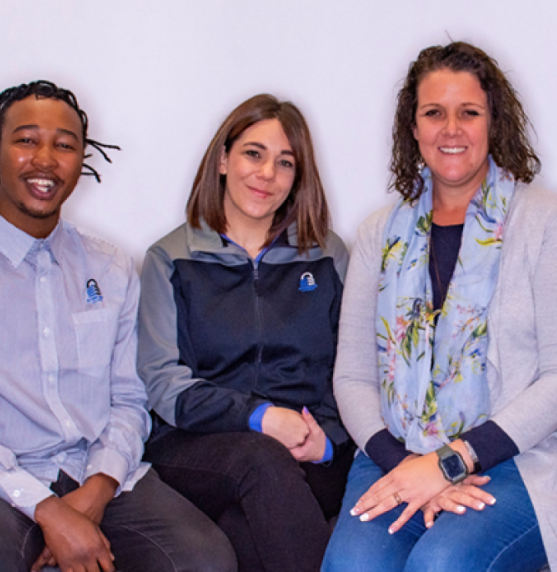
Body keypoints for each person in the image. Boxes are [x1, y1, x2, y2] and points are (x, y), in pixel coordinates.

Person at [321, 41, 557, 572]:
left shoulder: (547, 222)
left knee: (442, 564)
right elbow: (353, 377)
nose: (450, 129)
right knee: (353, 567)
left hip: (524, 456)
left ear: (493, 122)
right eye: (434, 113)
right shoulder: (377, 234)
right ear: (413, 127)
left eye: (469, 113)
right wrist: (408, 465)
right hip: (396, 452)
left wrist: (450, 462)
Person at [0, 80, 235, 572]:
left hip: (96, 471)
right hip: (3, 481)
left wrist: (97, 490)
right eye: (26, 140)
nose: (46, 159)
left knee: (205, 560)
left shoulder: (110, 266)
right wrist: (47, 511)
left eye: (64, 145)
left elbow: (128, 398)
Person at [137, 94, 354, 572]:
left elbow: (354, 365)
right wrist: (261, 417)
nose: (267, 174)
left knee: (244, 533)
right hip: (197, 444)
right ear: (222, 159)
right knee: (261, 461)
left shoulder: (326, 255)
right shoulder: (171, 259)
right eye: (253, 154)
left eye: (285, 162)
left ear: (298, 176)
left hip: (310, 443)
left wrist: (328, 440)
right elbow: (163, 384)